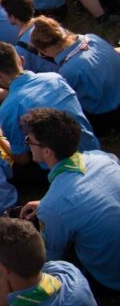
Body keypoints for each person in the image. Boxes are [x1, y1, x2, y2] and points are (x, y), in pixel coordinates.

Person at [19, 108, 120, 291]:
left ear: (47, 151)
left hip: (109, 275)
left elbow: (52, 258)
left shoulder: (53, 206)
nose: (28, 144)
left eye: (29, 140)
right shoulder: (103, 158)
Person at [0, 41, 100, 165]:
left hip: (65, 165)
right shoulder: (55, 77)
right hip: (92, 148)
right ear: (22, 60)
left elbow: (22, 159)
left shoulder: (8, 108)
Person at [30, 16, 120, 132]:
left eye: (42, 53)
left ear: (46, 50)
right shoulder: (92, 38)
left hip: (108, 114)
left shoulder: (68, 70)